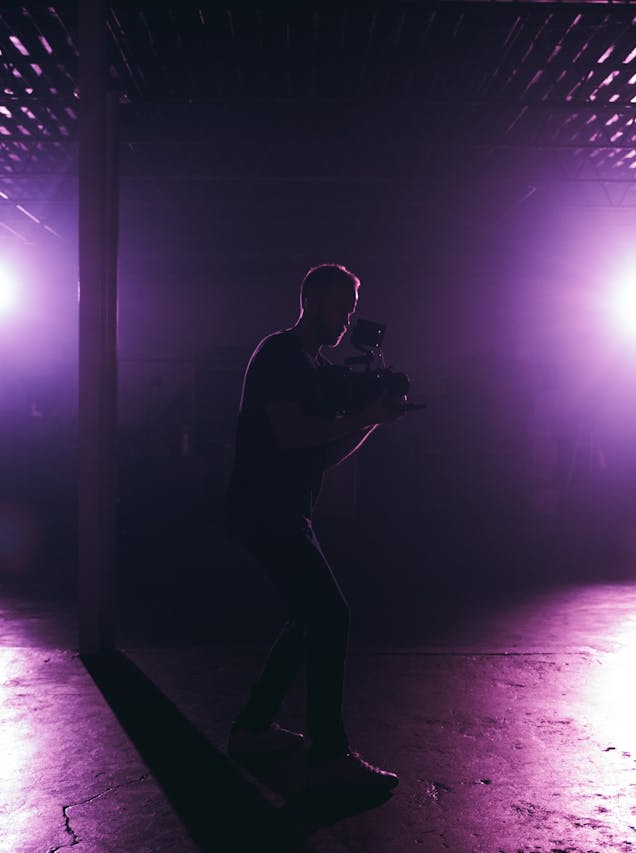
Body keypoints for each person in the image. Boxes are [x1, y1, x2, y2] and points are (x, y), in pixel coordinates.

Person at [223, 263, 405, 795]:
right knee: (329, 614)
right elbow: (290, 432)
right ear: (312, 301)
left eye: (350, 309)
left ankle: (253, 729)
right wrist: (359, 416)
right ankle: (329, 757)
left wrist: (372, 418)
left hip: (285, 510)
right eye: (340, 307)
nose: (347, 319)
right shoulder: (279, 354)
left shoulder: (310, 364)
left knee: (309, 618)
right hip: (265, 510)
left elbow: (320, 452)